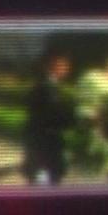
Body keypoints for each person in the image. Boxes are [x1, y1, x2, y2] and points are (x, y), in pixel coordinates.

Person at [22, 54, 75, 185]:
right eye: (63, 66)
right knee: (44, 184)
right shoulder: (47, 88)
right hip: (46, 149)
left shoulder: (46, 86)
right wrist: (72, 118)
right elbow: (52, 115)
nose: (67, 69)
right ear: (54, 67)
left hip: (42, 146)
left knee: (43, 183)